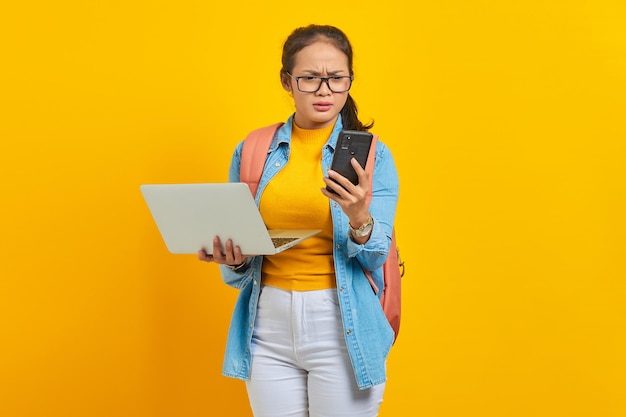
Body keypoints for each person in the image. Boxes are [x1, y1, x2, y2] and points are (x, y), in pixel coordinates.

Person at [198, 24, 399, 417]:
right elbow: (241, 270)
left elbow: (375, 258)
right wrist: (233, 257)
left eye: (336, 78)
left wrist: (358, 215)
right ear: (287, 81)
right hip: (266, 324)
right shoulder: (254, 149)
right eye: (309, 79)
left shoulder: (374, 156)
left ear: (349, 81)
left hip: (343, 324)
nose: (324, 91)